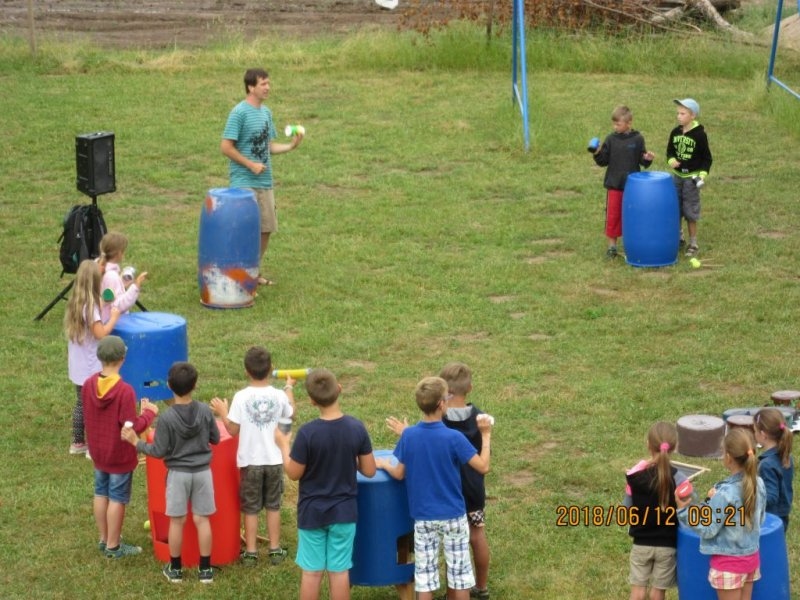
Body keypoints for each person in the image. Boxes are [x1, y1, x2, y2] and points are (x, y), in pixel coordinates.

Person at [378, 376, 492, 600]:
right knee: (459, 577)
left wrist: (383, 463)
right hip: (454, 517)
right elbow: (483, 466)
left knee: (425, 579)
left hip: (423, 518)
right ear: (441, 404)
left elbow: (399, 472)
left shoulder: (409, 435)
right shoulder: (454, 437)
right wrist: (486, 436)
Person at [274, 368, 376, 600]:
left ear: (311, 400)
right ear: (339, 389)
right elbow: (369, 470)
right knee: (339, 572)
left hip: (312, 513)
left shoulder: (308, 434)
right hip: (344, 513)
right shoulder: (356, 427)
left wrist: (283, 445)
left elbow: (293, 473)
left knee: (311, 573)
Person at [122, 362, 221, 584]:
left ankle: (175, 569)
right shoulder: (205, 410)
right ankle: (205, 570)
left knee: (177, 522)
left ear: (169, 385)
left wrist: (136, 441)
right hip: (203, 473)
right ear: (195, 385)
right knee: (202, 519)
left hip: (178, 475)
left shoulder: (167, 418)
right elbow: (214, 438)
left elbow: (158, 451)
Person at [210, 346, 295, 566]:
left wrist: (222, 413)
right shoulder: (278, 395)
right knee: (273, 505)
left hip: (250, 463)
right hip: (275, 461)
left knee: (250, 507)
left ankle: (250, 552)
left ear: (246, 371)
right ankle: (275, 550)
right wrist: (288, 388)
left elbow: (232, 430)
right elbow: (290, 412)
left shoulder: (240, 397)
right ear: (271, 369)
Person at [221, 67, 304, 286]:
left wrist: (290, 146)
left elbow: (267, 147)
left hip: (264, 182)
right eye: (263, 84)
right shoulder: (238, 113)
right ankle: (235, 273)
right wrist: (251, 165)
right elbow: (226, 147)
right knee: (247, 228)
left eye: (268, 83)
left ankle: (252, 272)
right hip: (243, 181)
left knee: (266, 229)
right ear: (251, 87)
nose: (268, 87)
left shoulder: (266, 113)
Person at [82, 335, 159, 558]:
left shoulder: (88, 385)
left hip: (98, 451)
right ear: (123, 359)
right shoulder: (124, 391)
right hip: (119, 454)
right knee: (117, 497)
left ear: (100, 357)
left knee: (100, 492)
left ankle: (104, 538)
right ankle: (114, 547)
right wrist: (149, 414)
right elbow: (131, 427)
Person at [676, 428, 765, 600]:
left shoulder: (725, 494)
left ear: (728, 457)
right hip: (751, 561)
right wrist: (713, 501)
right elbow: (759, 519)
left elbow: (708, 529)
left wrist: (684, 510)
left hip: (728, 566)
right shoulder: (758, 483)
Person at [623, 422, 687, 600]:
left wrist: (636, 470)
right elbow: (688, 510)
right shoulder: (680, 478)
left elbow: (626, 509)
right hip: (667, 546)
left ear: (648, 445)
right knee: (658, 592)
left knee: (637, 591)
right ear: (674, 447)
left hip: (641, 544)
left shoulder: (636, 478)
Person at [64, 259, 121, 455]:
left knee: (81, 403)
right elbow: (100, 333)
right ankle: (93, 446)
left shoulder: (76, 302)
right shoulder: (91, 309)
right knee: (95, 406)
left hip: (77, 366)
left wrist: (103, 302)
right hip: (91, 368)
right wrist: (114, 316)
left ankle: (77, 443)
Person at [590, 105, 654, 259]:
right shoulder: (611, 139)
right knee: (613, 216)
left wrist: (647, 159)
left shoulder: (638, 139)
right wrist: (597, 152)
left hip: (633, 187)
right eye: (614, 124)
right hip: (615, 185)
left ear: (629, 123)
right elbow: (603, 161)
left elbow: (642, 159)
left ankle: (634, 243)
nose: (615, 127)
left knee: (633, 215)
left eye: (618, 124)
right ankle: (612, 247)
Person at [666, 98, 713, 258]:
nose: (678, 116)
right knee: (675, 208)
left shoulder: (700, 135)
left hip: (691, 179)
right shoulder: (675, 132)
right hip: (677, 177)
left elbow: (707, 158)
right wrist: (671, 160)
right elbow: (670, 151)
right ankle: (679, 238)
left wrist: (702, 174)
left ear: (692, 115)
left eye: (682, 113)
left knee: (690, 210)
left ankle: (693, 243)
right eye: (678, 113)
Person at [754, 407, 794, 531]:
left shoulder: (767, 465)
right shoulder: (786, 455)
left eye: (754, 430)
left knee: (766, 550)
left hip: (770, 520)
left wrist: (750, 498)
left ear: (763, 435)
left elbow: (771, 497)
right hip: (782, 516)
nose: (754, 433)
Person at [97, 231, 148, 323]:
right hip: (111, 324)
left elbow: (108, 294)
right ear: (119, 253)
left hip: (100, 320)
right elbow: (118, 306)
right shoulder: (111, 276)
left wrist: (122, 284)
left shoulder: (98, 266)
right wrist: (136, 286)